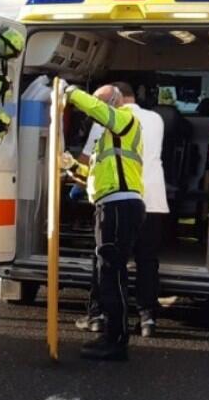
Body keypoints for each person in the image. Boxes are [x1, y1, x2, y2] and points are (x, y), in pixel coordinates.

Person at [59, 82, 145, 361]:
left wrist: (70, 93)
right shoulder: (107, 139)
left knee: (112, 272)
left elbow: (98, 109)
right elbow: (92, 177)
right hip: (111, 204)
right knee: (108, 272)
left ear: (114, 102)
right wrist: (71, 166)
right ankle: (111, 334)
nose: (92, 113)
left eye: (100, 104)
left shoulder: (125, 120)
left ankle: (116, 340)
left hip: (119, 205)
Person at [75, 82, 167, 338]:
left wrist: (69, 92)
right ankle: (148, 318)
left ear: (115, 99)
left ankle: (99, 315)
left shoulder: (111, 120)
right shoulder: (156, 119)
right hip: (154, 199)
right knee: (146, 260)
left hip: (118, 198)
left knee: (108, 261)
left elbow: (87, 159)